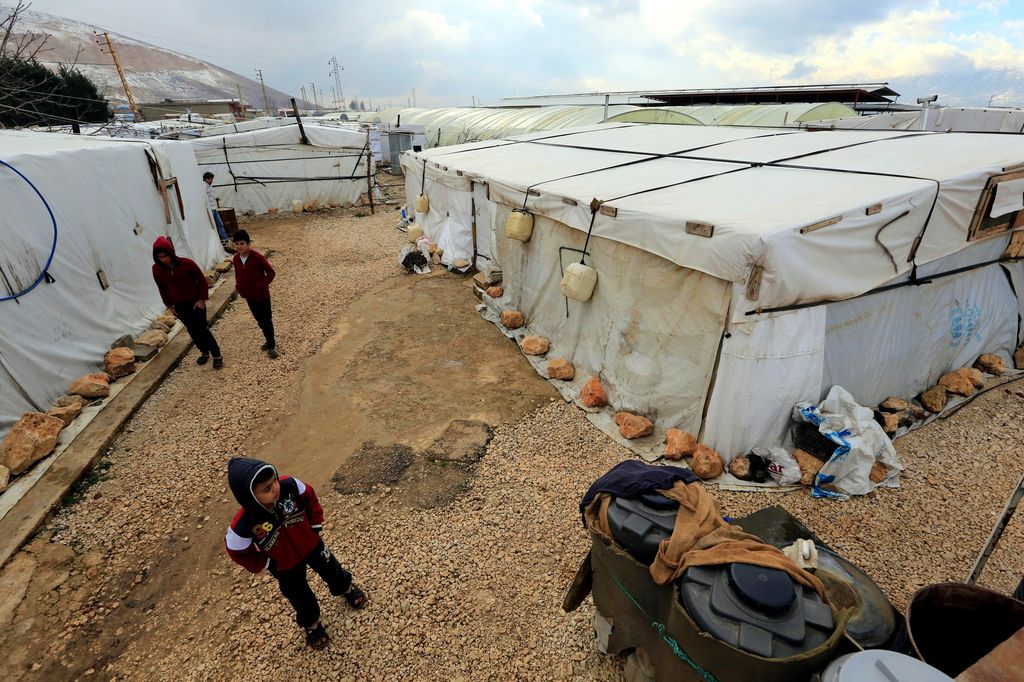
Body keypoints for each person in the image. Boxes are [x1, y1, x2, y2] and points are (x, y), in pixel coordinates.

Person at [225, 457, 367, 649]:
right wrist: (265, 563)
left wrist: (315, 525)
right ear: (249, 497)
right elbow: (236, 549)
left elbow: (309, 496)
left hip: (311, 544)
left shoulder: (289, 486)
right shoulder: (245, 522)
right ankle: (312, 624)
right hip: (283, 564)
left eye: (274, 481)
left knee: (331, 567)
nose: (275, 488)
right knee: (298, 594)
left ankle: (346, 588)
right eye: (266, 489)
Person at [151, 236, 224, 369]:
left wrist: (201, 300)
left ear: (171, 253)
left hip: (195, 302)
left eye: (165, 256)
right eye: (160, 257)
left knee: (202, 329)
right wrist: (169, 305)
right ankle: (204, 352)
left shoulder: (187, 264)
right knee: (192, 330)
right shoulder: (156, 269)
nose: (163, 260)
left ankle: (216, 354)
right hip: (179, 305)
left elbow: (202, 281)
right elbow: (161, 287)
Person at [231, 229, 278, 359]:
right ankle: (268, 340)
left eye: (242, 243)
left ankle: (271, 345)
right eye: (237, 244)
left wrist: (261, 286)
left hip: (262, 296)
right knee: (259, 321)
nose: (239, 246)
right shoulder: (236, 259)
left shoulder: (257, 257)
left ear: (248, 244)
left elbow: (271, 273)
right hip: (249, 297)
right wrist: (238, 287)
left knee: (266, 320)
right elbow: (238, 275)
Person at [203, 171, 229, 243]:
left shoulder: (209, 186)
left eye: (211, 178)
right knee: (213, 225)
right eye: (209, 178)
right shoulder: (203, 186)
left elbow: (211, 195)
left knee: (219, 224)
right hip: (209, 209)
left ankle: (225, 239)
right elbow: (203, 198)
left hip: (213, 208)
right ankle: (215, 241)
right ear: (205, 179)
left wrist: (215, 198)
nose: (210, 180)